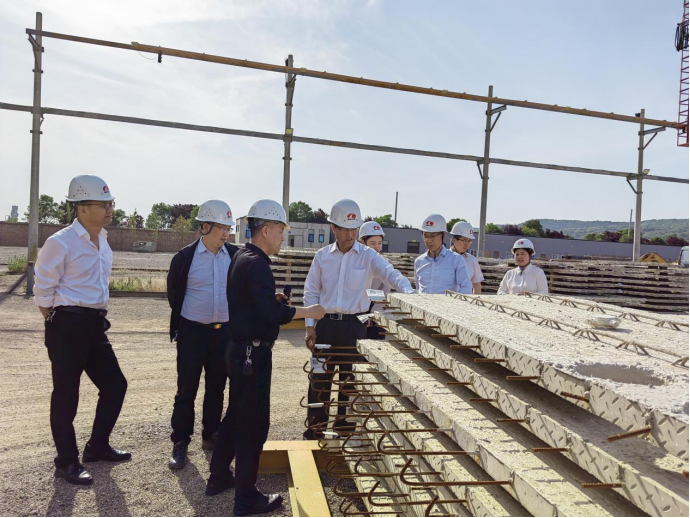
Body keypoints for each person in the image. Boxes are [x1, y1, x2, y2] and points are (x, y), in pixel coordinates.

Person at [206, 199, 325, 517]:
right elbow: (273, 313)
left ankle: (218, 476)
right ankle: (246, 498)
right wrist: (309, 311)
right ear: (267, 230)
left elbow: (251, 301)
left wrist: (270, 297)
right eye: (282, 231)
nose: (283, 238)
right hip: (253, 355)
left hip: (240, 350)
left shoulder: (242, 256)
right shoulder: (257, 264)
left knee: (235, 415)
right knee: (253, 425)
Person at [34, 175, 130, 486]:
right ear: (81, 208)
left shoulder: (104, 242)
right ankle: (66, 461)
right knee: (67, 394)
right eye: (102, 204)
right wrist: (58, 321)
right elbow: (43, 290)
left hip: (94, 326)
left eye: (110, 203)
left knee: (115, 385)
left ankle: (97, 446)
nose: (109, 209)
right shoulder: (60, 242)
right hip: (67, 324)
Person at [303, 199, 415, 440]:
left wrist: (410, 294)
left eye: (354, 229)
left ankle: (344, 429)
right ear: (334, 228)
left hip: (355, 328)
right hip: (325, 326)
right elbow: (311, 292)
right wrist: (310, 327)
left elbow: (391, 275)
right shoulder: (322, 257)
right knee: (319, 379)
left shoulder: (368, 256)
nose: (350, 234)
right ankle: (315, 429)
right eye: (345, 229)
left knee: (350, 380)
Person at [166, 200, 238, 470]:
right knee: (186, 389)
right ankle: (180, 441)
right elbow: (174, 294)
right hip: (192, 333)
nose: (226, 233)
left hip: (224, 334)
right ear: (205, 226)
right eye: (221, 227)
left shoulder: (235, 256)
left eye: (228, 228)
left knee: (217, 387)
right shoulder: (185, 258)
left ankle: (211, 433)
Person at [414, 214, 472, 295]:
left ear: (443, 236)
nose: (429, 240)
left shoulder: (456, 260)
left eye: (433, 236)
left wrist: (454, 301)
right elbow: (418, 288)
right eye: (425, 236)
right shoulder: (419, 261)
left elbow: (466, 287)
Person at [358, 221, 389, 339]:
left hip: (375, 314)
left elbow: (383, 294)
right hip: (355, 314)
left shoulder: (385, 265)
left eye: (379, 243)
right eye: (373, 243)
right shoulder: (353, 263)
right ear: (362, 242)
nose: (377, 247)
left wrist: (372, 315)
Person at [450, 221, 485, 294]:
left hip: (465, 300)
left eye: (469, 241)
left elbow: (476, 285)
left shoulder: (472, 260)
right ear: (454, 240)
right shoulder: (443, 259)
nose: (467, 244)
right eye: (464, 240)